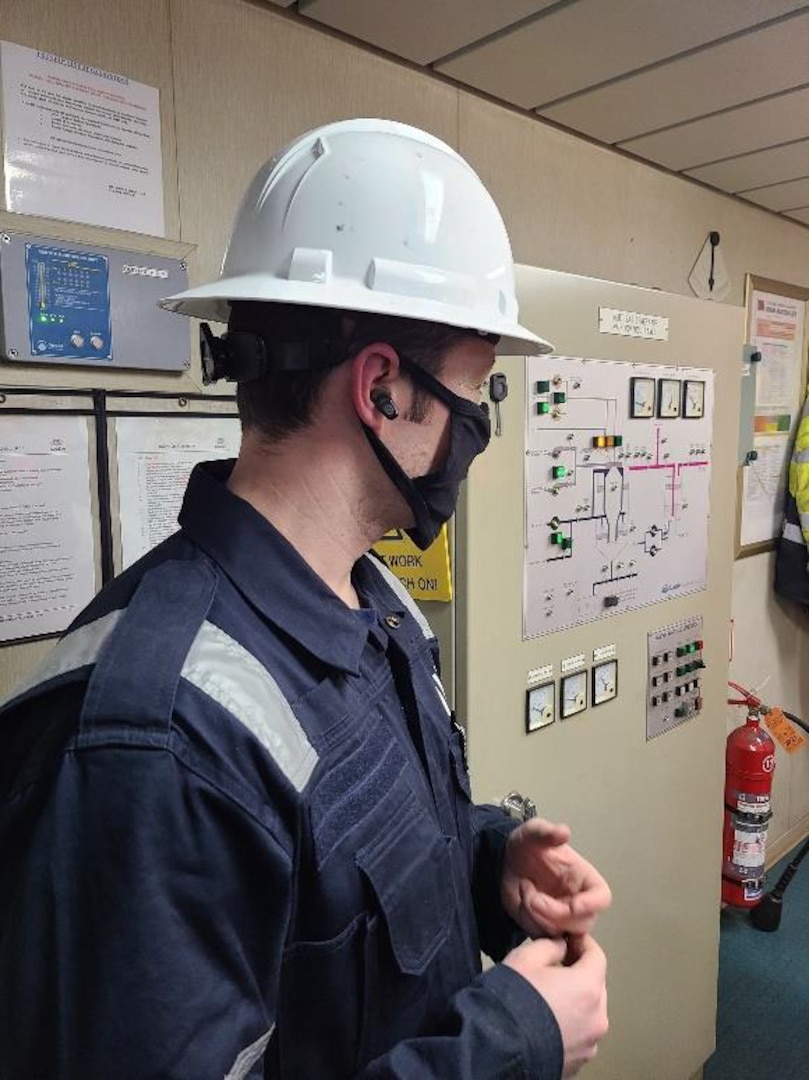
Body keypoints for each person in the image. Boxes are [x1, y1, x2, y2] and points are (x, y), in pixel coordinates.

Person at [0, 119, 610, 1079]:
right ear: (382, 391)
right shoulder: (154, 750)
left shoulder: (375, 603)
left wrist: (491, 867)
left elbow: (352, 887)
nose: (478, 431)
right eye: (474, 390)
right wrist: (512, 1043)